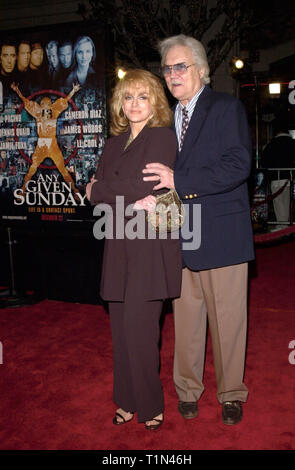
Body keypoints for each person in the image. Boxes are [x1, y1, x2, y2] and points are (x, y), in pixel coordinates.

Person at [142, 34, 254, 425]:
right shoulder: (162, 119)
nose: (172, 74)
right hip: (178, 236)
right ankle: (187, 390)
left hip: (221, 234)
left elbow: (238, 165)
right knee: (187, 321)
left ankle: (231, 394)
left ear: (201, 70)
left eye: (180, 66)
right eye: (167, 68)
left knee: (227, 321)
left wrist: (180, 179)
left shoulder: (226, 108)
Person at [86, 69, 182, 430]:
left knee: (142, 333)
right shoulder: (113, 144)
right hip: (117, 245)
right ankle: (125, 400)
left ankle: (150, 404)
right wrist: (114, 192)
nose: (134, 104)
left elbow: (142, 183)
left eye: (143, 96)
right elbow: (109, 192)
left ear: (155, 101)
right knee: (121, 333)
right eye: (128, 97)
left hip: (149, 249)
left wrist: (101, 189)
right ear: (119, 104)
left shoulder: (162, 137)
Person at [10, 82, 81, 197]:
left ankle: (74, 190)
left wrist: (73, 91)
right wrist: (17, 90)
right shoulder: (37, 111)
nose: (45, 105)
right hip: (42, 144)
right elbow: (25, 101)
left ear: (50, 104)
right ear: (41, 104)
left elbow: (65, 100)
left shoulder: (54, 109)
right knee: (33, 168)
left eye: (47, 103)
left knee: (62, 169)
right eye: (43, 103)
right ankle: (23, 189)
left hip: (52, 144)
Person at [261, 125, 295, 229]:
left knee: (279, 205)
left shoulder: (270, 145)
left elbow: (264, 162)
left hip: (276, 179)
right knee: (291, 204)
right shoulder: (292, 143)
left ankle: (282, 227)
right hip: (292, 178)